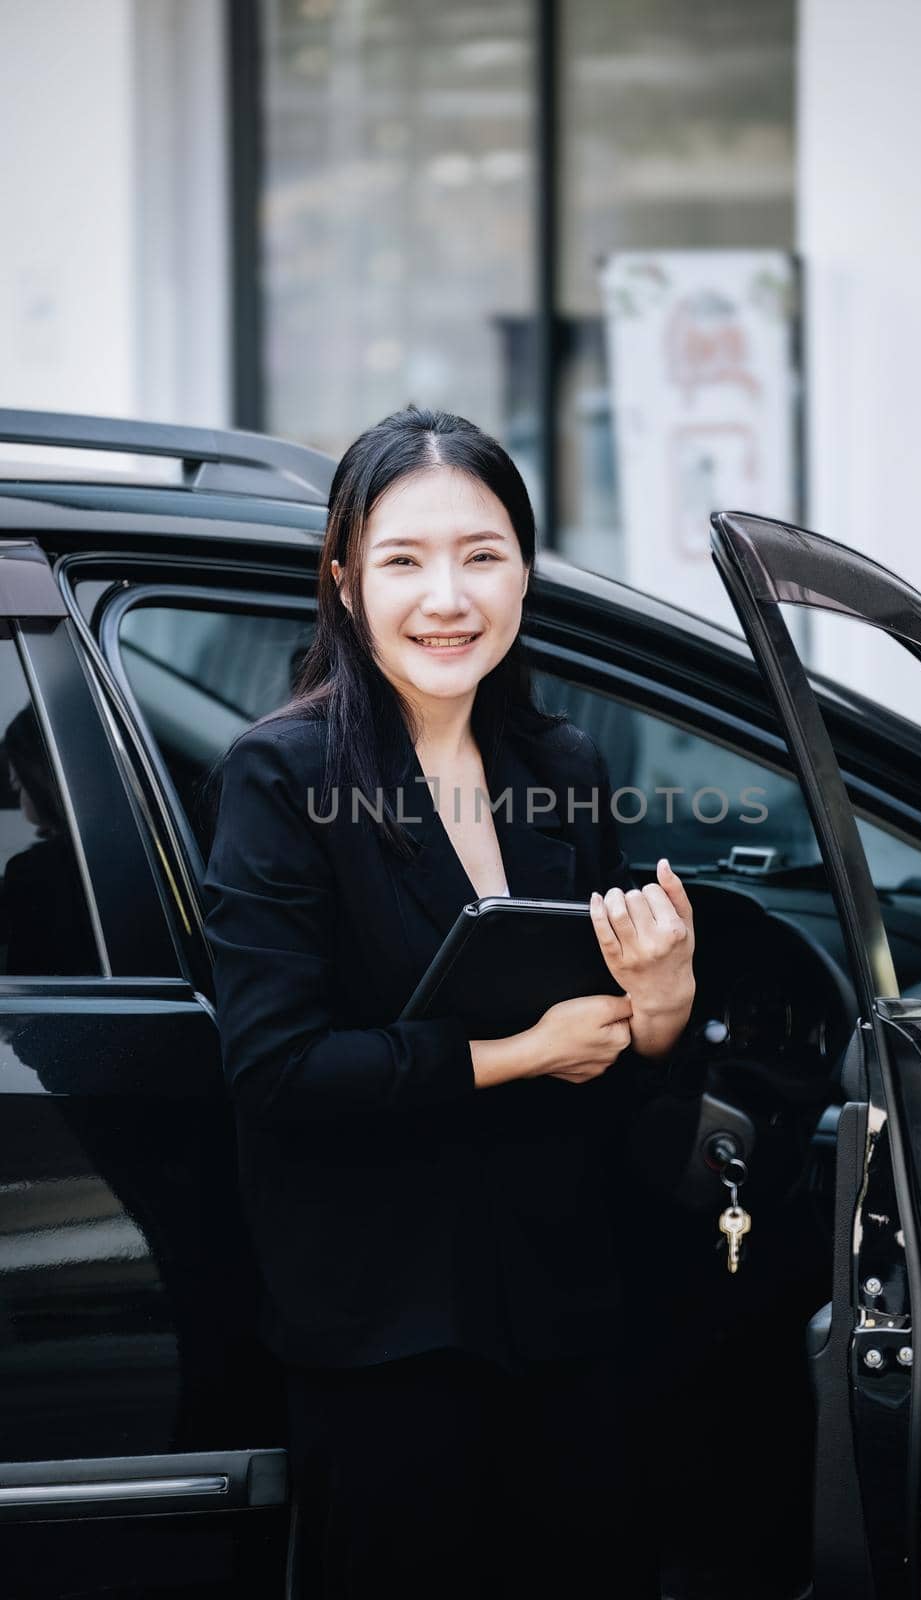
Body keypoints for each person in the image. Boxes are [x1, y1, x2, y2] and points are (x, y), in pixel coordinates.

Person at [202, 405, 707, 1598]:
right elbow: (274, 1071)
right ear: (342, 579)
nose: (447, 597)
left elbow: (615, 1069)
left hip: (564, 1316)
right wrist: (510, 1052)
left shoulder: (561, 765)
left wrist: (663, 999)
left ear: (525, 570)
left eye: (481, 555)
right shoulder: (279, 774)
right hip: (384, 1339)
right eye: (402, 560)